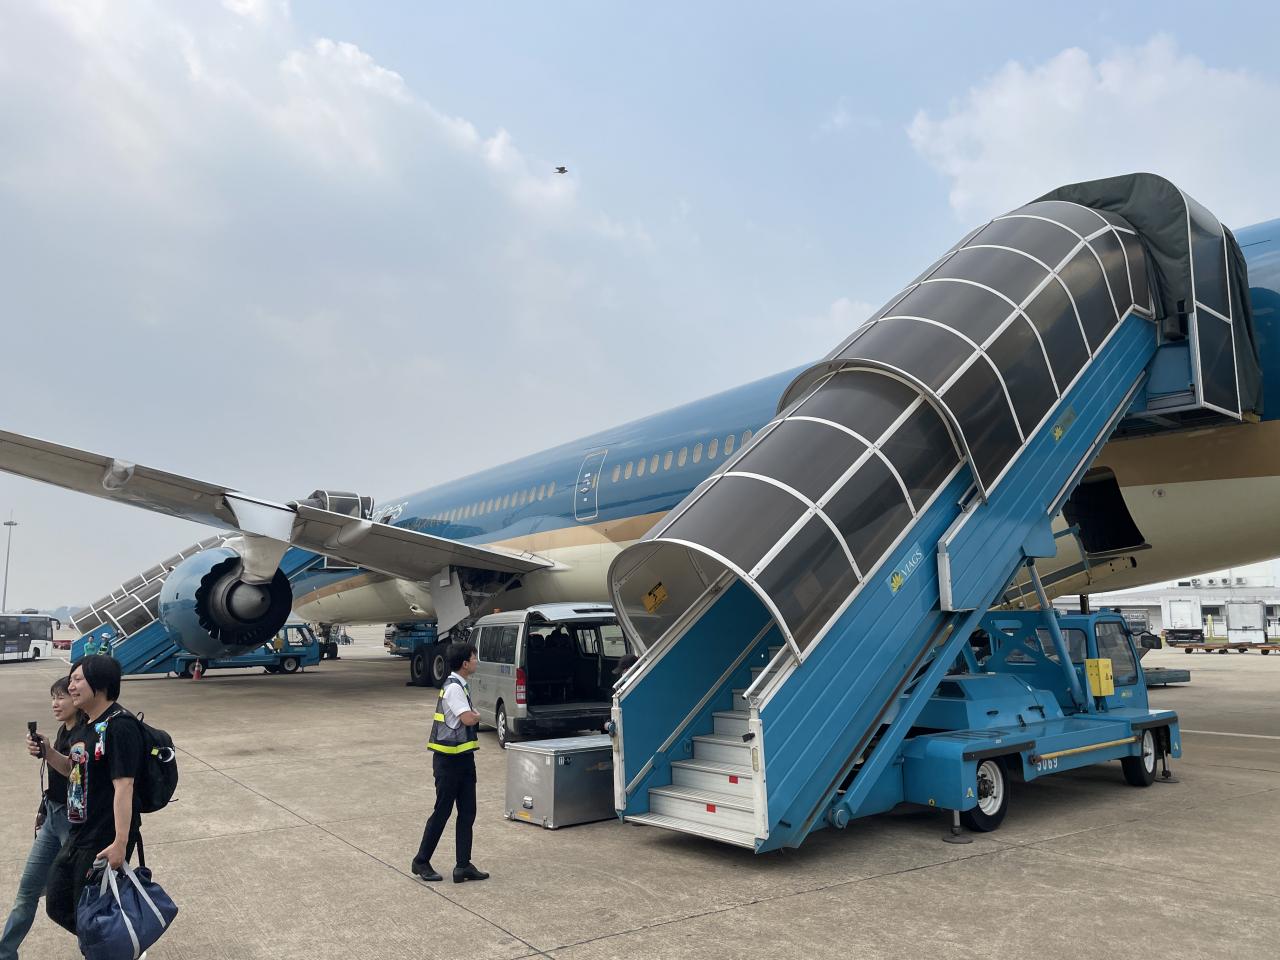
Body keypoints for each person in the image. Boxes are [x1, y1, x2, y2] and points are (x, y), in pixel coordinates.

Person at [33, 655, 146, 935]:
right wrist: (48, 752)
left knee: (90, 911)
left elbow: (124, 787)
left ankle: (109, 946)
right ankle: (112, 944)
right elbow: (73, 770)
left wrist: (120, 843)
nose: (71, 686)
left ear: (101, 684)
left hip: (103, 835)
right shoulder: (86, 725)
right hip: (79, 830)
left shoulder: (120, 726)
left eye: (77, 680)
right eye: (71, 679)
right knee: (57, 904)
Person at [1, 677, 81, 960]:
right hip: (53, 818)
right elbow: (58, 781)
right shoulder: (63, 730)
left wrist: (49, 753)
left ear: (78, 698)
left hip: (74, 824)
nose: (55, 704)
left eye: (61, 697)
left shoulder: (86, 734)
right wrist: (43, 809)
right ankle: (5, 954)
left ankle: (110, 945)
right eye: (53, 698)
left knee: (82, 897)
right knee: (27, 891)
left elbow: (74, 774)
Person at [411, 642, 489, 884]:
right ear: (465, 663)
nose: (476, 661)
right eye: (474, 658)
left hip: (463, 758)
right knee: (442, 812)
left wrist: (474, 715)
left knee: (467, 812)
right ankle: (421, 861)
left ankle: (463, 865)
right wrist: (477, 716)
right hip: (448, 762)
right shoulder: (454, 688)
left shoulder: (461, 685)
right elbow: (468, 718)